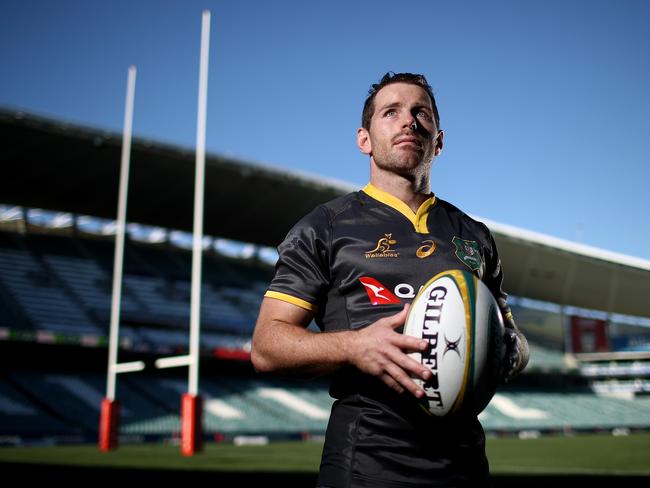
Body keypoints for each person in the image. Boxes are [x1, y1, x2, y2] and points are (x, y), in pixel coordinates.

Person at [251, 72, 529, 487]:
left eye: (422, 113)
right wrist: (355, 345)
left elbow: (515, 340)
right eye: (391, 112)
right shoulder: (325, 226)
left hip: (465, 468)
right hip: (365, 466)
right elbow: (266, 347)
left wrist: (509, 350)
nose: (409, 122)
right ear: (364, 138)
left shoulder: (475, 235)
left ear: (439, 140)